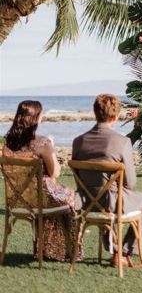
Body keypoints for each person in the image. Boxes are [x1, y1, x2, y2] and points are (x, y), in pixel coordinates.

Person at [72, 93, 142, 268]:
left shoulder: (78, 141)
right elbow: (131, 183)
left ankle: (112, 243)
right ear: (116, 116)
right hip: (112, 202)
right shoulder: (122, 142)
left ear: (95, 112)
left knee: (107, 199)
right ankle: (124, 252)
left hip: (85, 202)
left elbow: (78, 178)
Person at [2, 100, 82, 262]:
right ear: (35, 118)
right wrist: (51, 146)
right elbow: (55, 173)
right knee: (73, 199)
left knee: (60, 196)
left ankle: (48, 250)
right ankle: (68, 252)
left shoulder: (8, 143)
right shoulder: (43, 143)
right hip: (41, 200)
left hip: (18, 200)